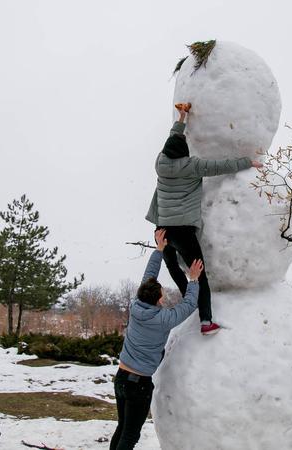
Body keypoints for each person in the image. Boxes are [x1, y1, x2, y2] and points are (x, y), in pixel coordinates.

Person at [145, 102, 263, 335]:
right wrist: (248, 162)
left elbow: (173, 136)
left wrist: (181, 119)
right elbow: (221, 166)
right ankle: (206, 321)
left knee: (173, 267)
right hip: (182, 232)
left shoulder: (160, 163)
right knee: (199, 273)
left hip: (162, 231)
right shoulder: (192, 166)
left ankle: (188, 301)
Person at [110, 229, 203, 450]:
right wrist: (194, 280)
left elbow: (148, 276)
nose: (163, 293)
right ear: (158, 299)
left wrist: (159, 249)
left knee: (122, 427)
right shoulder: (163, 319)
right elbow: (189, 305)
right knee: (130, 435)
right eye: (161, 292)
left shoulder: (135, 305)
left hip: (121, 378)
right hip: (138, 385)